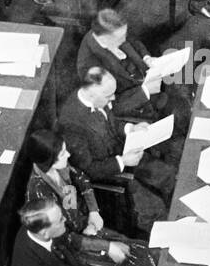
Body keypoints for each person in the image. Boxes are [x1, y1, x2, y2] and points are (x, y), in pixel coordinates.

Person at [56, 67, 174, 231]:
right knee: (155, 211)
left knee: (169, 175)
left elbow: (111, 122)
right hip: (112, 174)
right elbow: (88, 170)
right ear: (92, 95)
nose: (113, 98)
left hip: (125, 153)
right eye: (108, 95)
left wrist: (130, 128)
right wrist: (123, 161)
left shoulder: (98, 99)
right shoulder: (71, 123)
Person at [23, 130, 153, 266]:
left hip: (86, 228)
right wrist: (106, 246)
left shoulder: (59, 167)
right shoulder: (40, 194)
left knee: (140, 250)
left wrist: (93, 211)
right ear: (49, 160)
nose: (68, 155)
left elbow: (82, 179)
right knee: (135, 260)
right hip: (74, 248)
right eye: (62, 154)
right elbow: (62, 238)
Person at [76, 9, 190, 149]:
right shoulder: (89, 67)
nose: (124, 39)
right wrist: (145, 91)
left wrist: (146, 57)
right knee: (175, 142)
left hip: (144, 84)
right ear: (105, 39)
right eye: (120, 38)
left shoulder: (113, 31)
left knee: (183, 109)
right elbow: (110, 106)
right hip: (131, 109)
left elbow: (134, 41)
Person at [9, 199, 94, 266]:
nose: (65, 219)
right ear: (45, 233)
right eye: (60, 220)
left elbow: (70, 244)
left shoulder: (36, 225)